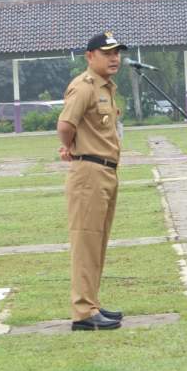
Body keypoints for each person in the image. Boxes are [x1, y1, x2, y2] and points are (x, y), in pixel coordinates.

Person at [57, 32, 127, 331]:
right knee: (86, 242)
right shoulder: (84, 87)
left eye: (117, 53)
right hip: (88, 172)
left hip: (106, 172)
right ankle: (83, 312)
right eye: (107, 52)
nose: (114, 58)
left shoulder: (106, 88)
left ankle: (92, 303)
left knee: (97, 243)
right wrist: (71, 147)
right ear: (90, 56)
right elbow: (65, 125)